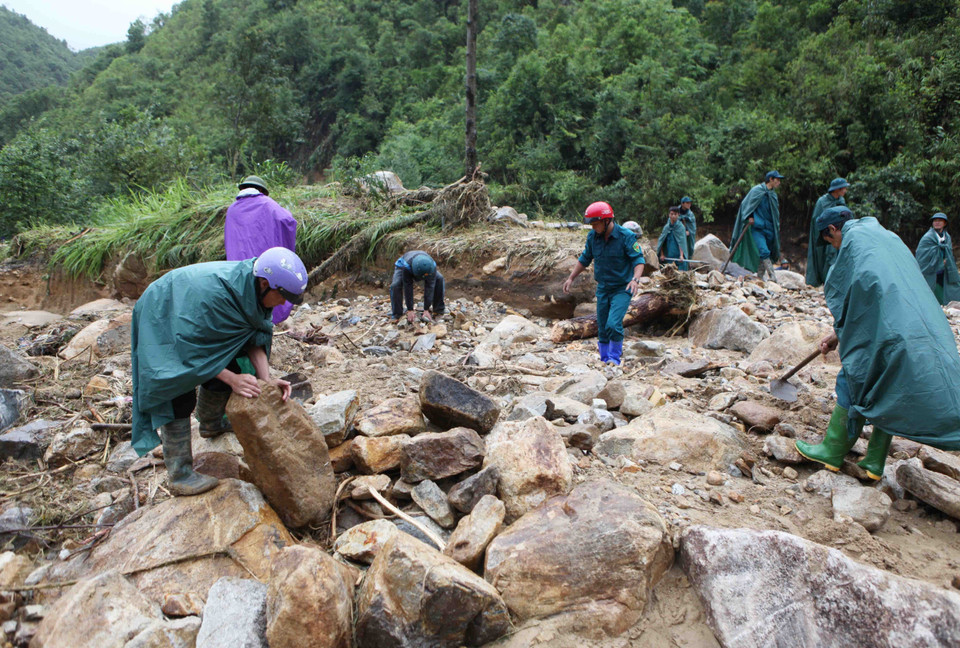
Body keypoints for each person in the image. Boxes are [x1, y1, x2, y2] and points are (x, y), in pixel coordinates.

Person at [795, 207, 960, 480]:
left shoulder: (852, 244)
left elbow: (853, 299)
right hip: (921, 326)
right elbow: (876, 293)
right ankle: (873, 462)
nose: (833, 246)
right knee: (893, 385)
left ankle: (832, 451)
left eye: (829, 240)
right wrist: (837, 335)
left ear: (833, 230)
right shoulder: (886, 237)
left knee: (856, 373)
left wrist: (844, 333)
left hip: (892, 329)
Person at [131, 247, 308, 496]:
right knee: (177, 387)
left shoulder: (255, 292)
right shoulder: (217, 297)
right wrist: (231, 379)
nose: (283, 303)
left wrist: (266, 380)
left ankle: (211, 423)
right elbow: (189, 348)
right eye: (283, 296)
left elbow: (253, 336)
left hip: (192, 314)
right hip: (166, 309)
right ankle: (180, 475)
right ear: (266, 283)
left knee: (235, 362)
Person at [562, 201, 645, 365]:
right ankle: (604, 359)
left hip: (622, 288)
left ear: (607, 220)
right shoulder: (593, 236)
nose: (593, 227)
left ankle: (614, 359)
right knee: (602, 326)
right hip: (603, 288)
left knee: (613, 324)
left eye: (596, 223)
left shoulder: (626, 236)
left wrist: (635, 279)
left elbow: (639, 260)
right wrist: (571, 277)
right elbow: (585, 258)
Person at [225, 175, 298, 324]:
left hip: (238, 267)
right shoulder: (268, 204)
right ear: (261, 190)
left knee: (243, 297)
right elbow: (288, 221)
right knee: (265, 292)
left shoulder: (232, 209)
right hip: (262, 263)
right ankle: (266, 323)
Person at [729, 170, 783, 283]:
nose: (779, 182)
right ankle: (773, 277)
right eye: (777, 180)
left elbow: (775, 213)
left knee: (765, 252)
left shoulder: (773, 194)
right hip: (758, 228)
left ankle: (760, 277)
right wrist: (749, 216)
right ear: (771, 179)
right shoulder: (757, 191)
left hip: (770, 228)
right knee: (764, 251)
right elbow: (746, 205)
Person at [805, 177, 848, 287]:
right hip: (826, 234)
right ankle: (825, 282)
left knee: (836, 257)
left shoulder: (841, 201)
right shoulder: (822, 201)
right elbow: (816, 220)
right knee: (824, 258)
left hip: (838, 234)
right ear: (837, 189)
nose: (845, 191)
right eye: (844, 188)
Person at [915, 212, 960, 305]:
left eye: (940, 221)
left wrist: (946, 261)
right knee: (930, 288)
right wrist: (939, 260)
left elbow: (949, 252)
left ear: (945, 223)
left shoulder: (946, 237)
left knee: (950, 286)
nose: (937, 223)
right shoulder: (928, 237)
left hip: (944, 268)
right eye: (935, 221)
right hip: (931, 269)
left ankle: (947, 304)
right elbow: (922, 255)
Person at [390, 251, 445, 323]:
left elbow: (430, 287)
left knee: (439, 279)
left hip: (426, 269)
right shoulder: (406, 266)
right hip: (402, 267)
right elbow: (408, 287)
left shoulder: (432, 266)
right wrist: (410, 310)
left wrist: (426, 309)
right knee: (395, 285)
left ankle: (438, 310)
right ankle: (397, 314)